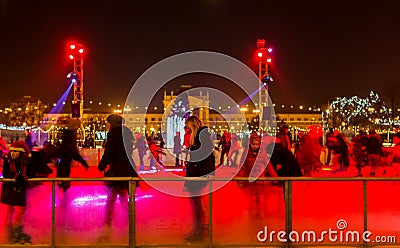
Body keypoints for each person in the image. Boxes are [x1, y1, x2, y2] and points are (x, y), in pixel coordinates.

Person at [98, 114, 138, 237]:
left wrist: (102, 165)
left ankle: (107, 226)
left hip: (117, 170)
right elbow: (128, 150)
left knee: (111, 199)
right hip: (128, 168)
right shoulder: (127, 132)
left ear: (112, 123)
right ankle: (131, 224)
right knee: (123, 197)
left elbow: (110, 151)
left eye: (107, 123)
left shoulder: (113, 133)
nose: (106, 125)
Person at [184, 116, 216, 242]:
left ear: (193, 125)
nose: (186, 129)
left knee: (198, 205)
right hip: (195, 174)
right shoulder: (196, 137)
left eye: (187, 126)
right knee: (196, 204)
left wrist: (210, 173)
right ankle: (199, 229)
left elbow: (209, 155)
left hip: (199, 175)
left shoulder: (202, 136)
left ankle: (200, 231)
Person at [1, 141, 32, 244]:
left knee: (20, 211)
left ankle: (17, 231)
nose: (13, 153)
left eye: (16, 151)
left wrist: (21, 176)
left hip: (19, 189)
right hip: (9, 189)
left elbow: (28, 173)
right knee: (9, 211)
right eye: (12, 151)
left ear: (21, 153)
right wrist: (14, 176)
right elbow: (5, 173)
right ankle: (8, 232)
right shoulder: (7, 160)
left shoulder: (25, 161)